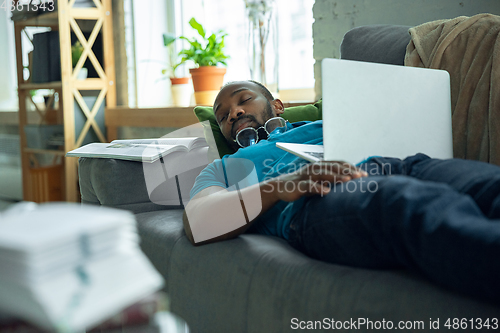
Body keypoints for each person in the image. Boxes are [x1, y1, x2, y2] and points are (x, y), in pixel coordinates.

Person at [183, 80, 500, 305]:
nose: (234, 113)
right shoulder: (224, 167)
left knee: (488, 184)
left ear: (276, 105)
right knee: (404, 203)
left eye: (243, 100)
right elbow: (198, 221)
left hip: (401, 162)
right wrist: (282, 186)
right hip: (320, 198)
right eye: (223, 116)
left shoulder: (327, 122)